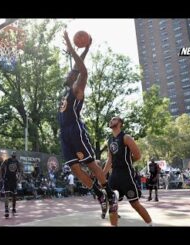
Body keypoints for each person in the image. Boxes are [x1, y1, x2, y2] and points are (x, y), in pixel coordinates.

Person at [58, 30, 117, 218]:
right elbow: (77, 66)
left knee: (90, 164)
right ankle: (98, 193)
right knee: (75, 169)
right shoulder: (67, 88)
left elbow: (82, 70)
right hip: (64, 132)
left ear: (75, 78)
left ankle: (109, 193)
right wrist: (86, 49)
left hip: (75, 130)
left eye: (72, 73)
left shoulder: (77, 88)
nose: (69, 73)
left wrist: (70, 46)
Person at [103, 116, 153, 226]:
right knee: (112, 203)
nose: (111, 120)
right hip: (114, 175)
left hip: (126, 175)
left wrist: (128, 162)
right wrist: (102, 174)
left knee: (135, 204)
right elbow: (109, 160)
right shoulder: (109, 140)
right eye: (111, 119)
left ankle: (150, 224)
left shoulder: (126, 137)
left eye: (114, 119)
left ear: (120, 123)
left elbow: (138, 156)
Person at [0, 151, 22, 218]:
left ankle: (13, 208)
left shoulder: (17, 162)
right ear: (11, 156)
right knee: (7, 195)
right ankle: (6, 210)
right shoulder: (7, 161)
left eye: (14, 156)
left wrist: (19, 178)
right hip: (7, 180)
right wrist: (1, 177)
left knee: (14, 195)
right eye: (13, 156)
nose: (13, 157)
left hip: (13, 180)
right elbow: (1, 169)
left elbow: (20, 171)